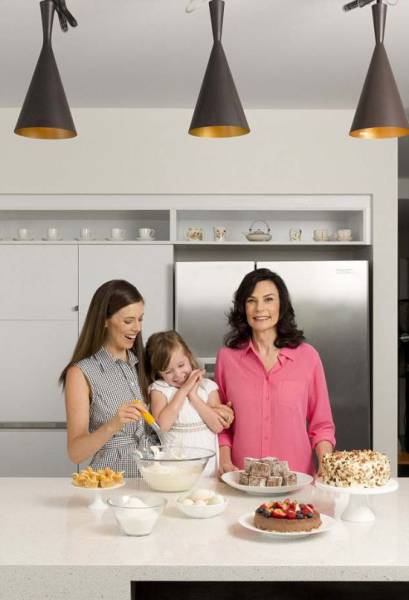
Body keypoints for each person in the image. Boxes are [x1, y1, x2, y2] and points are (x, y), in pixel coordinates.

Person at [215, 268, 335, 477]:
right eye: (251, 300)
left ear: (282, 305)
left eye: (268, 299)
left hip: (297, 481)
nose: (260, 308)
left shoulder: (308, 357)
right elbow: (221, 423)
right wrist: (224, 462)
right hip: (242, 479)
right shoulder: (227, 359)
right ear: (243, 307)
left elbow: (322, 425)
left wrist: (326, 465)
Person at [61, 279, 158, 477]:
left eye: (140, 319)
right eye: (128, 321)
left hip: (153, 478)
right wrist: (114, 424)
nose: (137, 328)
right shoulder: (80, 373)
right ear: (104, 320)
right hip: (112, 482)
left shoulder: (144, 364)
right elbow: (75, 453)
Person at [145, 330, 234, 475]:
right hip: (175, 469)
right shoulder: (160, 390)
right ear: (158, 373)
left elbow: (217, 426)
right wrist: (184, 390)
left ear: (189, 356)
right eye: (168, 372)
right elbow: (163, 425)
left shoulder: (207, 387)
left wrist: (193, 396)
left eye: (181, 365)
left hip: (208, 469)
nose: (178, 374)